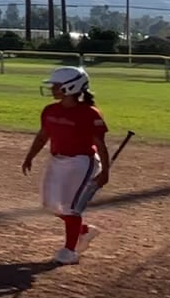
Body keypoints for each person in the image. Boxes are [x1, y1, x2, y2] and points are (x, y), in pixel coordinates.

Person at [22, 66, 108, 265]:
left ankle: (70, 251)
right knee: (50, 205)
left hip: (81, 162)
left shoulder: (89, 113)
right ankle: (83, 231)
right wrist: (30, 156)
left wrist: (105, 171)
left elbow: (100, 144)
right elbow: (43, 136)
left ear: (71, 87)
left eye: (56, 85)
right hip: (57, 161)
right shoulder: (50, 110)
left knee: (70, 207)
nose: (52, 89)